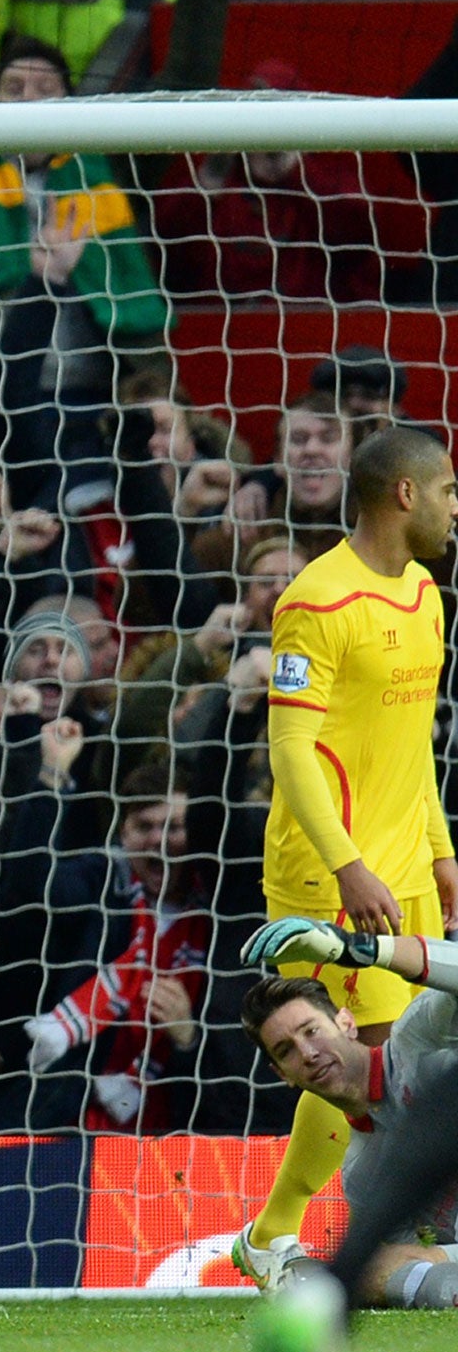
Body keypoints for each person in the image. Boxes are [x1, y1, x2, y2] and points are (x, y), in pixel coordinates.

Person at [235, 426, 458, 1294]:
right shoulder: (314, 601)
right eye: (446, 492)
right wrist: (346, 866)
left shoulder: (427, 594)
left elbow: (411, 743)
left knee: (399, 1061)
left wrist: (439, 849)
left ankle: (375, 1238)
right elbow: (290, 752)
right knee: (359, 1053)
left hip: (406, 856)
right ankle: (280, 1234)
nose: (454, 508)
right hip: (327, 866)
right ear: (404, 495)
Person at [236, 918, 458, 1352]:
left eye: (312, 1031)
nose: (307, 1052)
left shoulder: (416, 1037)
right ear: (283, 1076)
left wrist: (362, 950)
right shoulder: (361, 1174)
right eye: (287, 1050)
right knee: (384, 1272)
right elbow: (413, 1270)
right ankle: (314, 1296)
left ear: (346, 1021)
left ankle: (312, 1292)